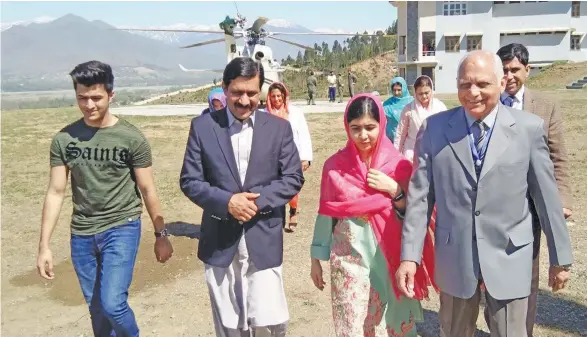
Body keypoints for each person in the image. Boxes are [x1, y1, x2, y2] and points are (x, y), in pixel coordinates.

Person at [396, 50, 573, 337]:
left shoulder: (527, 129)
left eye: (482, 84)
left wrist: (559, 257)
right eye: (465, 84)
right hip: (456, 256)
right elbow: (420, 198)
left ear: (501, 83)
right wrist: (409, 257)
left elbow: (546, 199)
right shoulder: (435, 129)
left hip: (509, 255)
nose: (473, 93)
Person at [36, 60, 173, 337]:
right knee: (96, 308)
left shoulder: (131, 138)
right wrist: (44, 246)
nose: (89, 105)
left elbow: (147, 189)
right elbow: (56, 191)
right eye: (82, 98)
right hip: (82, 234)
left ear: (111, 95)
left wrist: (161, 235)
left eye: (96, 97)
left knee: (112, 305)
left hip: (121, 227)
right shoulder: (64, 139)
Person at [179, 57, 304, 336]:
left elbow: (293, 178)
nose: (245, 100)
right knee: (228, 322)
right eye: (237, 92)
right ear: (224, 88)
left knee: (269, 322)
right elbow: (189, 180)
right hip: (220, 241)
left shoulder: (278, 129)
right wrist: (227, 203)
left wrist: (254, 202)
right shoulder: (203, 127)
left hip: (264, 236)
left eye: (251, 93)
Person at [310, 93, 437, 336]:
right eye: (355, 128)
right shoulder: (334, 166)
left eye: (370, 127)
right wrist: (316, 256)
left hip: (390, 260)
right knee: (353, 324)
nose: (363, 135)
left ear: (382, 125)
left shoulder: (398, 166)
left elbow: (415, 216)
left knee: (393, 324)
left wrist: (395, 190)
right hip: (349, 260)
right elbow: (327, 212)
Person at [495, 43, 574, 337]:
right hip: (493, 207)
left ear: (528, 71)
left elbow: (559, 158)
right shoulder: (489, 103)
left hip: (532, 208)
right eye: (503, 70)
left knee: (527, 277)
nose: (509, 75)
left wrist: (562, 200)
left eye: (515, 69)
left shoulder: (545, 106)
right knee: (492, 277)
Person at [266, 81, 313, 232]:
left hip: (292, 156)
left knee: (292, 187)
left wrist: (305, 157)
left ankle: (293, 212)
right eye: (273, 96)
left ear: (285, 96)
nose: (277, 99)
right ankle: (277, 217)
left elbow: (304, 134)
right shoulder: (264, 114)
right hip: (272, 158)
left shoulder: (295, 112)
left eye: (279, 96)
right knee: (275, 187)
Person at [394, 75, 447, 162]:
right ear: (415, 93)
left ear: (431, 90)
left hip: (435, 151)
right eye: (420, 94)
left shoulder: (440, 107)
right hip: (412, 153)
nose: (424, 96)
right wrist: (395, 154)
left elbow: (447, 129)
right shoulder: (409, 109)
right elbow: (400, 134)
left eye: (427, 93)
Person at [382, 77, 413, 143]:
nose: (396, 93)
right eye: (394, 90)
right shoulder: (387, 104)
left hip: (409, 140)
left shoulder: (412, 102)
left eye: (399, 90)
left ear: (404, 89)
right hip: (391, 139)